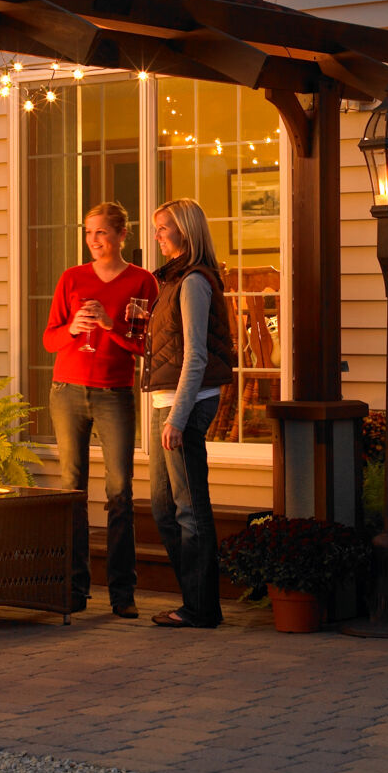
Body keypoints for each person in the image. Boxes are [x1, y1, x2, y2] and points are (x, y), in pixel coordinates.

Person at [42, 202, 159, 619]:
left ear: (121, 235)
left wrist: (111, 326)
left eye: (102, 233)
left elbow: (145, 345)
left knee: (119, 493)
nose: (94, 241)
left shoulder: (142, 281)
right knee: (72, 490)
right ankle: (74, 588)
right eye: (89, 233)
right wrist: (72, 329)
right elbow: (50, 340)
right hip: (68, 391)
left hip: (113, 395)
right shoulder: (71, 279)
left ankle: (122, 593)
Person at [143, 198, 234, 629]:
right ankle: (192, 599)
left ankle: (201, 608)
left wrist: (177, 418)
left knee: (189, 508)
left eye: (164, 228)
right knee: (163, 508)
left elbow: (196, 355)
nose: (158, 235)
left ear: (185, 231)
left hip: (189, 403)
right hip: (170, 402)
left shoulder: (194, 281)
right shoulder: (171, 280)